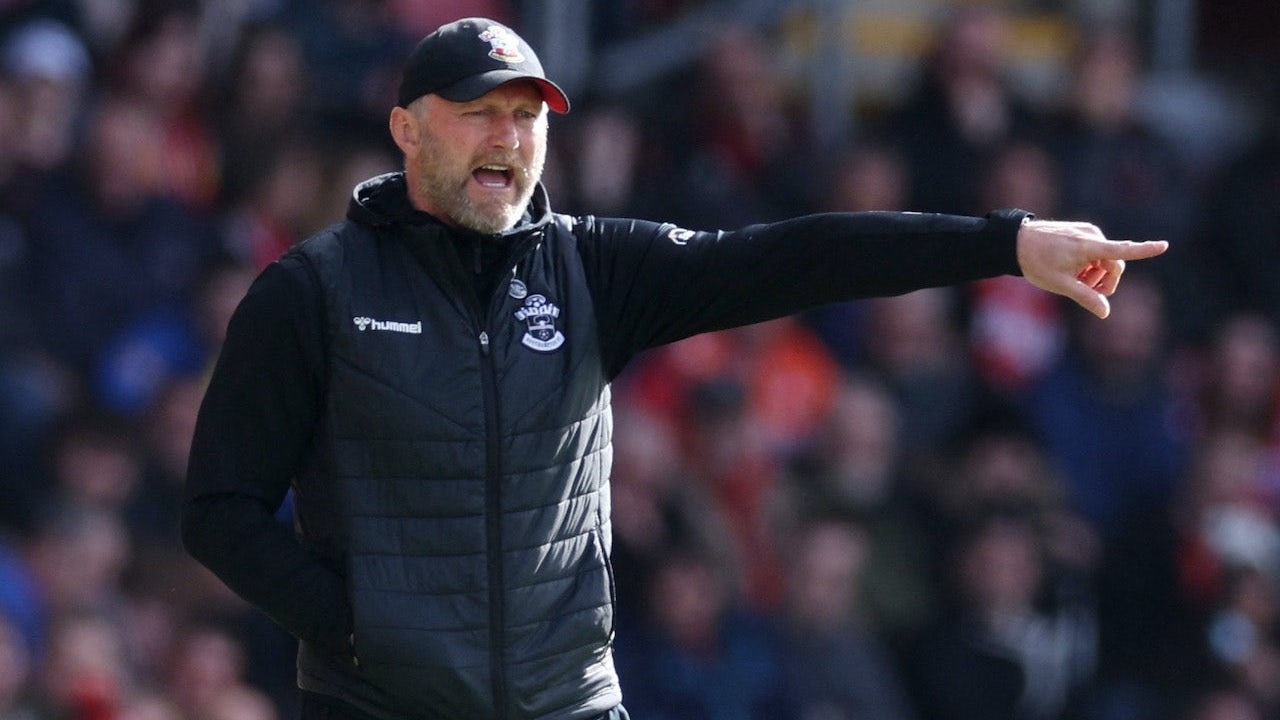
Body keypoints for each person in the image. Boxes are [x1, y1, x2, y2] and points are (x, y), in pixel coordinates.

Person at [179, 16, 1168, 720]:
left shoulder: (593, 269)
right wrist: (359, 627)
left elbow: (797, 256)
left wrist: (1005, 244)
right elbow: (219, 510)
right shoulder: (313, 290)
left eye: (527, 116)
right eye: (478, 112)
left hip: (568, 703)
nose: (507, 138)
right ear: (407, 128)